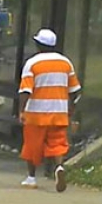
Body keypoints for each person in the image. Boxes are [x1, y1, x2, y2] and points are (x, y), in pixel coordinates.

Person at [18, 28, 82, 192]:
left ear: (38, 44)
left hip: (36, 113)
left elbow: (26, 90)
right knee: (58, 143)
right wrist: (71, 109)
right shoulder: (66, 63)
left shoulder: (32, 63)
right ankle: (59, 167)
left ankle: (31, 178)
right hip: (59, 112)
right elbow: (75, 91)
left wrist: (21, 111)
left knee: (32, 145)